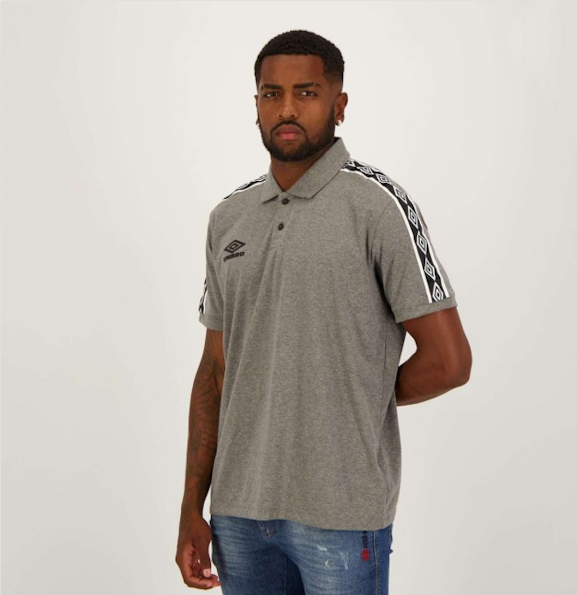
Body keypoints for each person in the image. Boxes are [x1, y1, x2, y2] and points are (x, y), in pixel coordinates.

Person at [175, 30, 472, 594]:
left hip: (342, 512)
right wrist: (193, 506)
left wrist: (356, 396)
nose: (287, 109)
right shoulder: (228, 218)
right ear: (256, 104)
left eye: (306, 93)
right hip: (237, 514)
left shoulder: (379, 206)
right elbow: (215, 371)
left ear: (339, 105)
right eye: (272, 94)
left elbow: (449, 362)